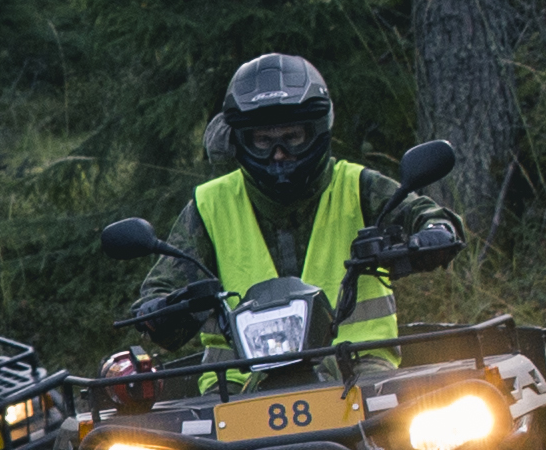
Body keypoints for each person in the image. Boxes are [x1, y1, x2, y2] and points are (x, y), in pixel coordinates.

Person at [134, 53, 460, 362]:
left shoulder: (358, 185)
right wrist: (157, 310)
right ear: (241, 141)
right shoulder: (209, 205)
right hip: (236, 382)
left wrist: (435, 233)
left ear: (315, 131)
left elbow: (426, 216)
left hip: (358, 365)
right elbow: (162, 287)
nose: (279, 153)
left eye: (292, 137)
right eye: (264, 141)